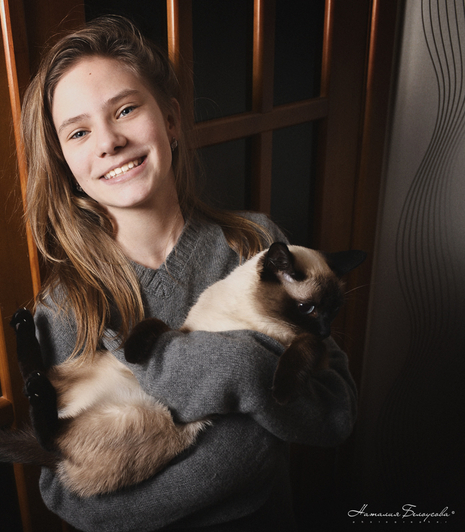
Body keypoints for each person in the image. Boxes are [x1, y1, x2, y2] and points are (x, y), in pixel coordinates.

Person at [20, 15, 356, 532]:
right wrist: (244, 450)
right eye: (80, 132)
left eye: (126, 109)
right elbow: (70, 497)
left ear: (172, 120)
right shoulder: (67, 308)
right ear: (66, 162)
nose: (109, 141)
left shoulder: (256, 245)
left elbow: (336, 410)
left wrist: (245, 373)